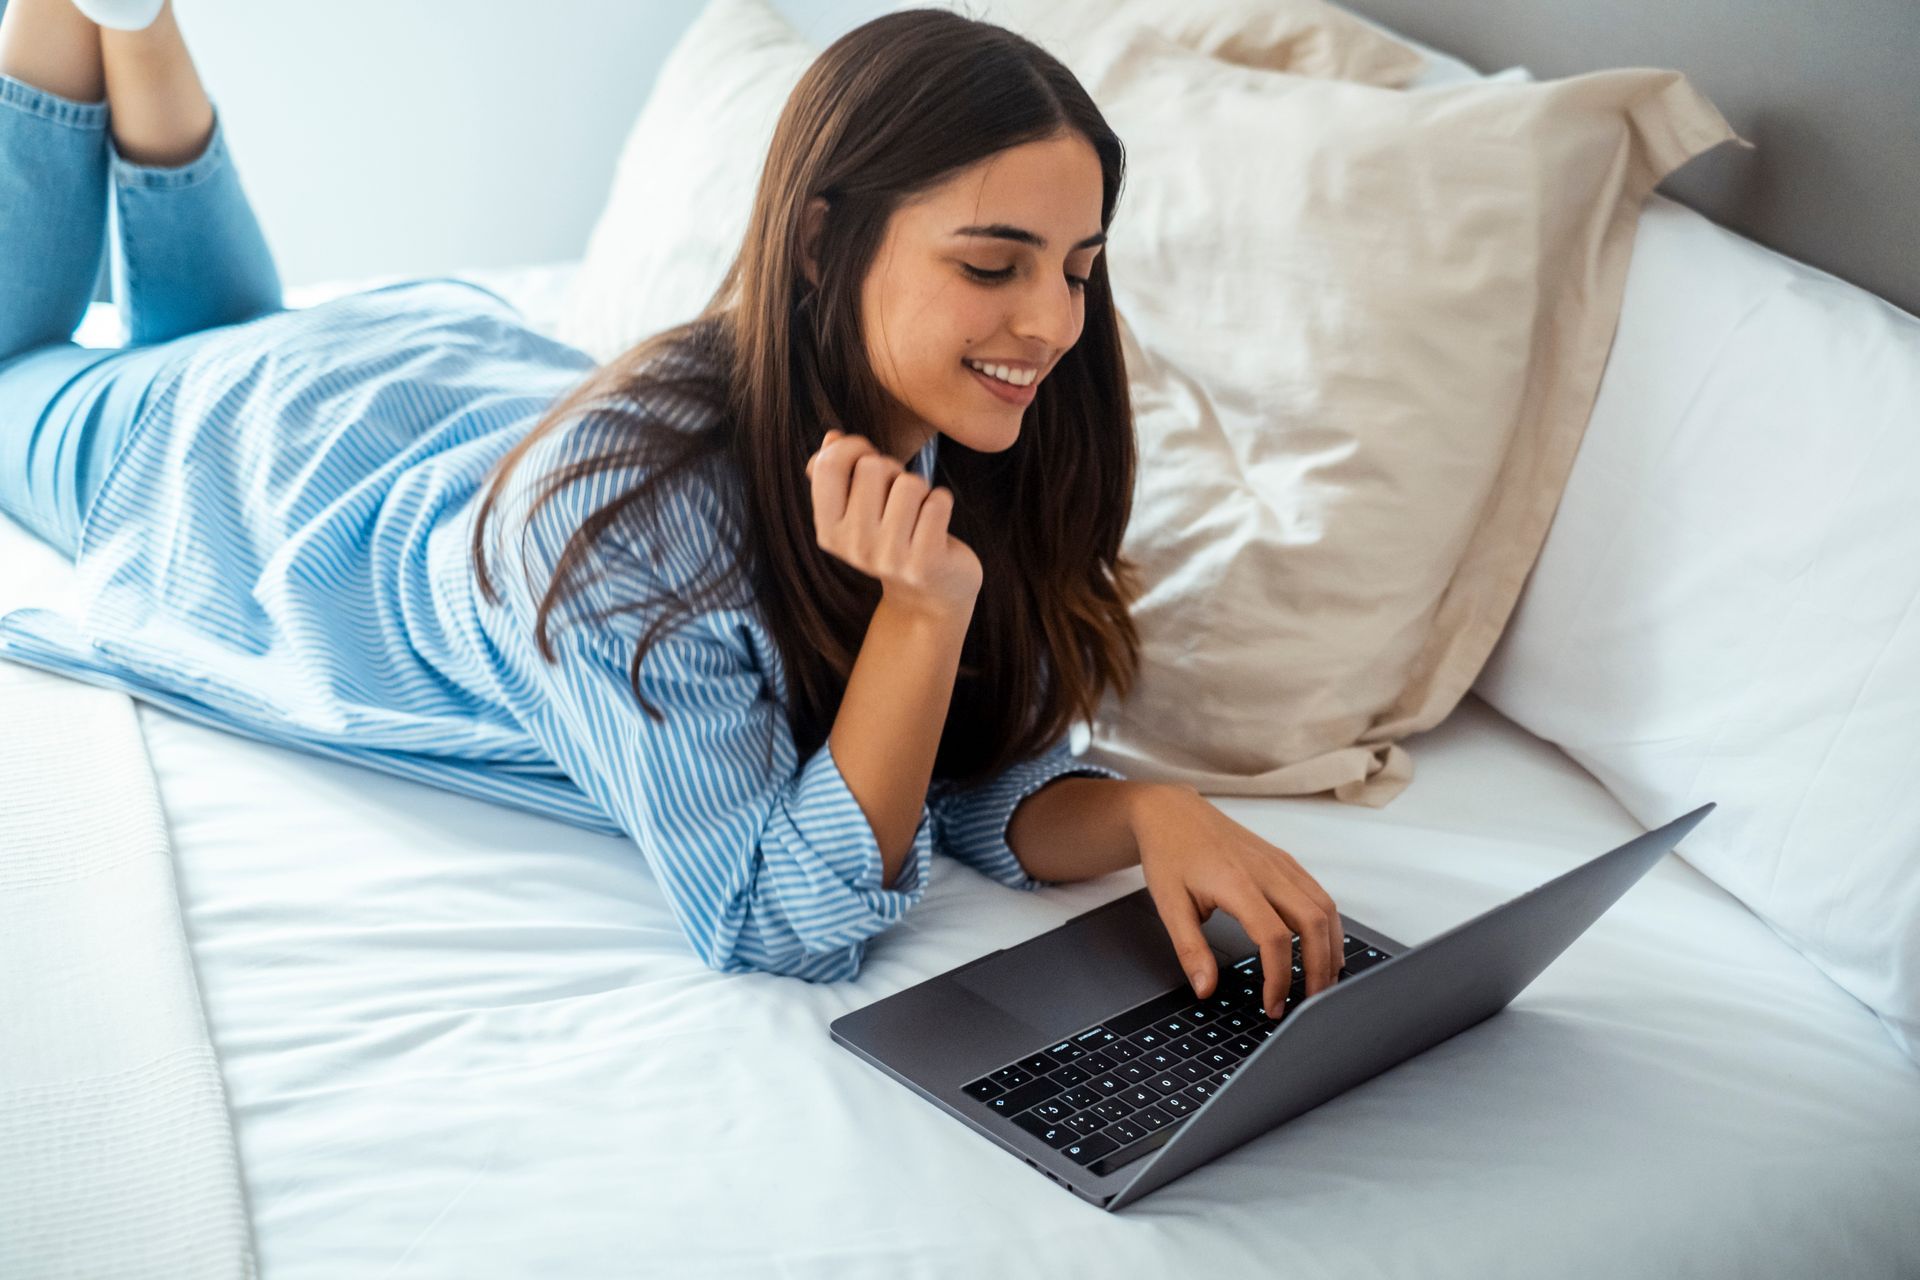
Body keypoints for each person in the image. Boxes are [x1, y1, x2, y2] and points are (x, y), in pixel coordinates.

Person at [0, 0, 1345, 1011]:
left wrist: (1144, 812)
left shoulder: (968, 428)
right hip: (250, 459)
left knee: (225, 328)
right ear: (822, 242)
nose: (1051, 324)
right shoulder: (625, 538)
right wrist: (921, 618)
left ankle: (133, 24)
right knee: (40, 367)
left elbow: (963, 768)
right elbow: (777, 915)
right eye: (994, 264)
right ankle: (89, 19)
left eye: (1078, 268)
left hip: (432, 373)